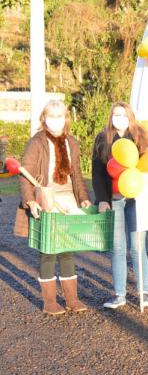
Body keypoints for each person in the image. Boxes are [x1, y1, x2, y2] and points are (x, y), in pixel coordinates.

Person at [13, 99, 92, 315]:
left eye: (59, 116)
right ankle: (49, 302)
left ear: (65, 118)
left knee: (67, 249)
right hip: (45, 200)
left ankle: (71, 299)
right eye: (51, 115)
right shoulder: (36, 142)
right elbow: (24, 175)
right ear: (44, 118)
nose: (55, 120)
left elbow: (77, 176)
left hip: (68, 202)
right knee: (48, 250)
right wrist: (30, 201)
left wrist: (83, 198)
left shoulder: (72, 143)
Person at [92, 102, 148, 309]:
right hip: (115, 199)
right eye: (116, 115)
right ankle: (120, 295)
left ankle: (143, 292)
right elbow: (98, 173)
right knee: (118, 248)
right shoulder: (103, 139)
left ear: (131, 117)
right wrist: (102, 199)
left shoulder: (142, 137)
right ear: (111, 117)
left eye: (124, 115)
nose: (119, 118)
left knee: (138, 246)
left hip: (137, 198)